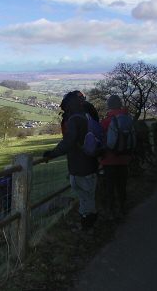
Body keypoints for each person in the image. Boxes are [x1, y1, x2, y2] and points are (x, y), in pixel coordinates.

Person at [44, 91, 99, 229]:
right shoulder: (87, 114)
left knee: (86, 198)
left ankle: (88, 227)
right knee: (87, 197)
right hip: (91, 162)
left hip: (80, 165)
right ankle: (88, 225)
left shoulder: (74, 119)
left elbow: (68, 141)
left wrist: (51, 154)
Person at [100, 95, 133, 218]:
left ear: (109, 105)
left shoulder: (107, 121)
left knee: (110, 187)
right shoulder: (127, 118)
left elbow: (100, 137)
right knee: (121, 186)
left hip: (109, 159)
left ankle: (111, 211)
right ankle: (123, 208)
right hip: (125, 158)